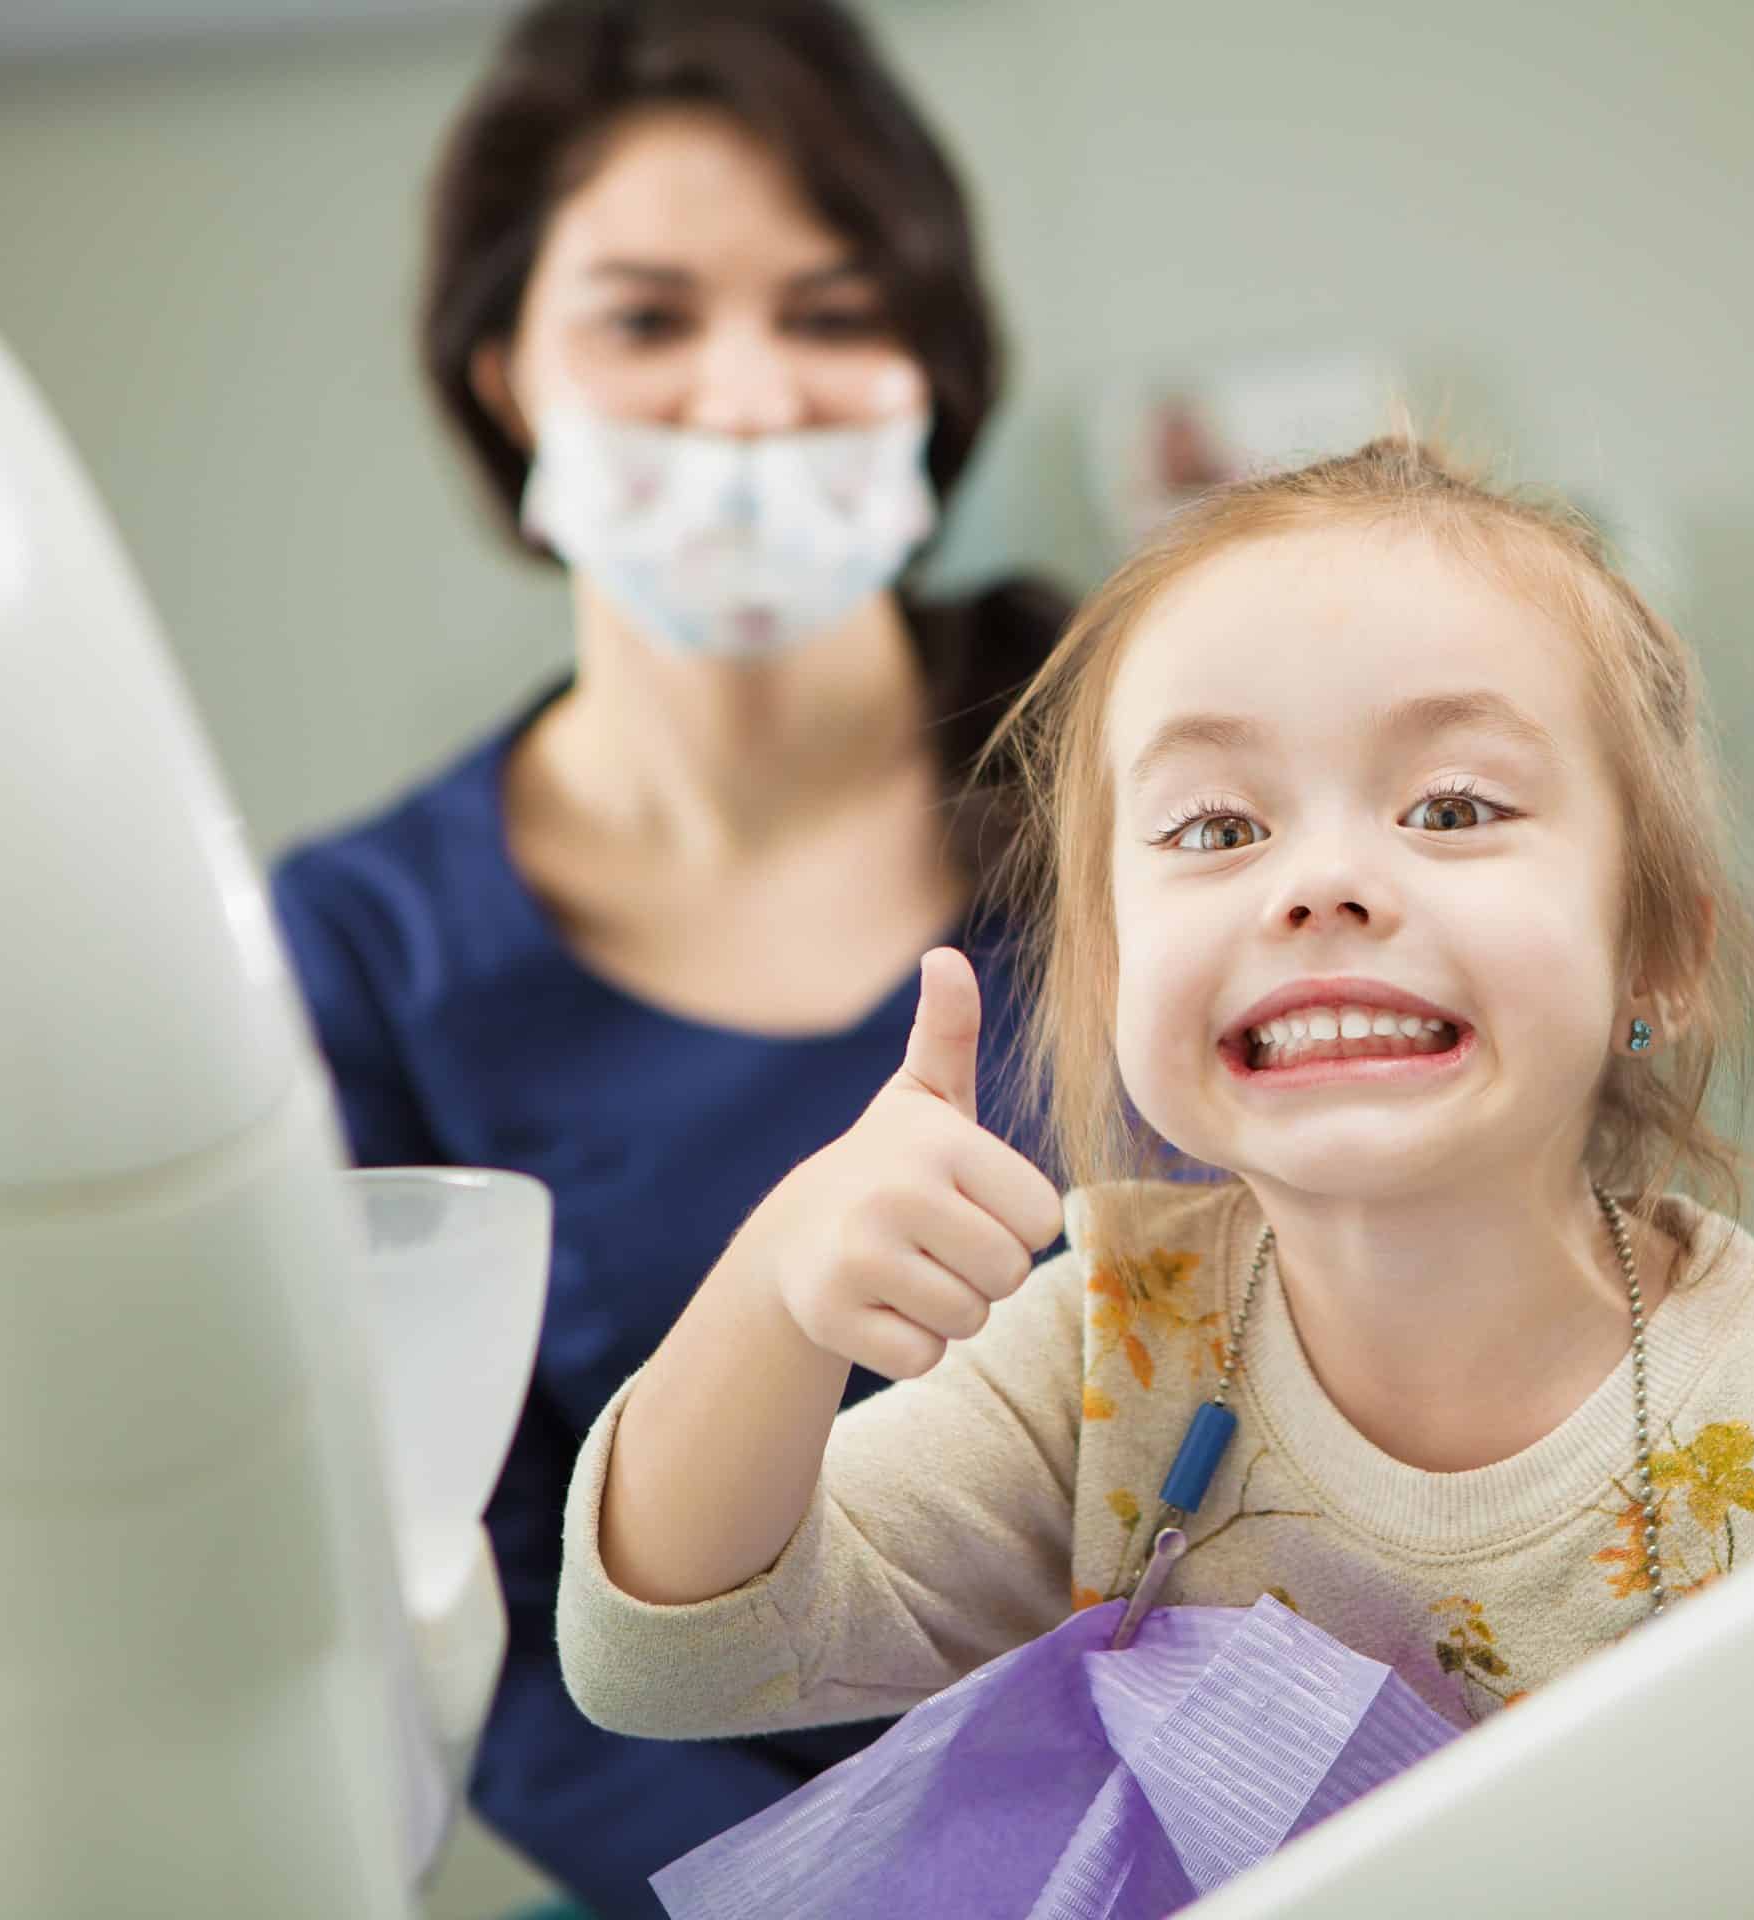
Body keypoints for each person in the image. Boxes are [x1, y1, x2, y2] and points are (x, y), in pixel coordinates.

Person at [556, 437, 1754, 1801]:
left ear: (1660, 952)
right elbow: (667, 1662)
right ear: (1108, 969)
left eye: (1453, 806)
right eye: (1218, 830)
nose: (1325, 881)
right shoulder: (1113, 1346)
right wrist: (776, 1286)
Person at [267, 2, 1064, 1910]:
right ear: (504, 376)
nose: (743, 398)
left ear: (934, 368)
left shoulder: (1145, 776)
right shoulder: (365, 957)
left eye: (830, 310)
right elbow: (467, 1609)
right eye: (646, 319)